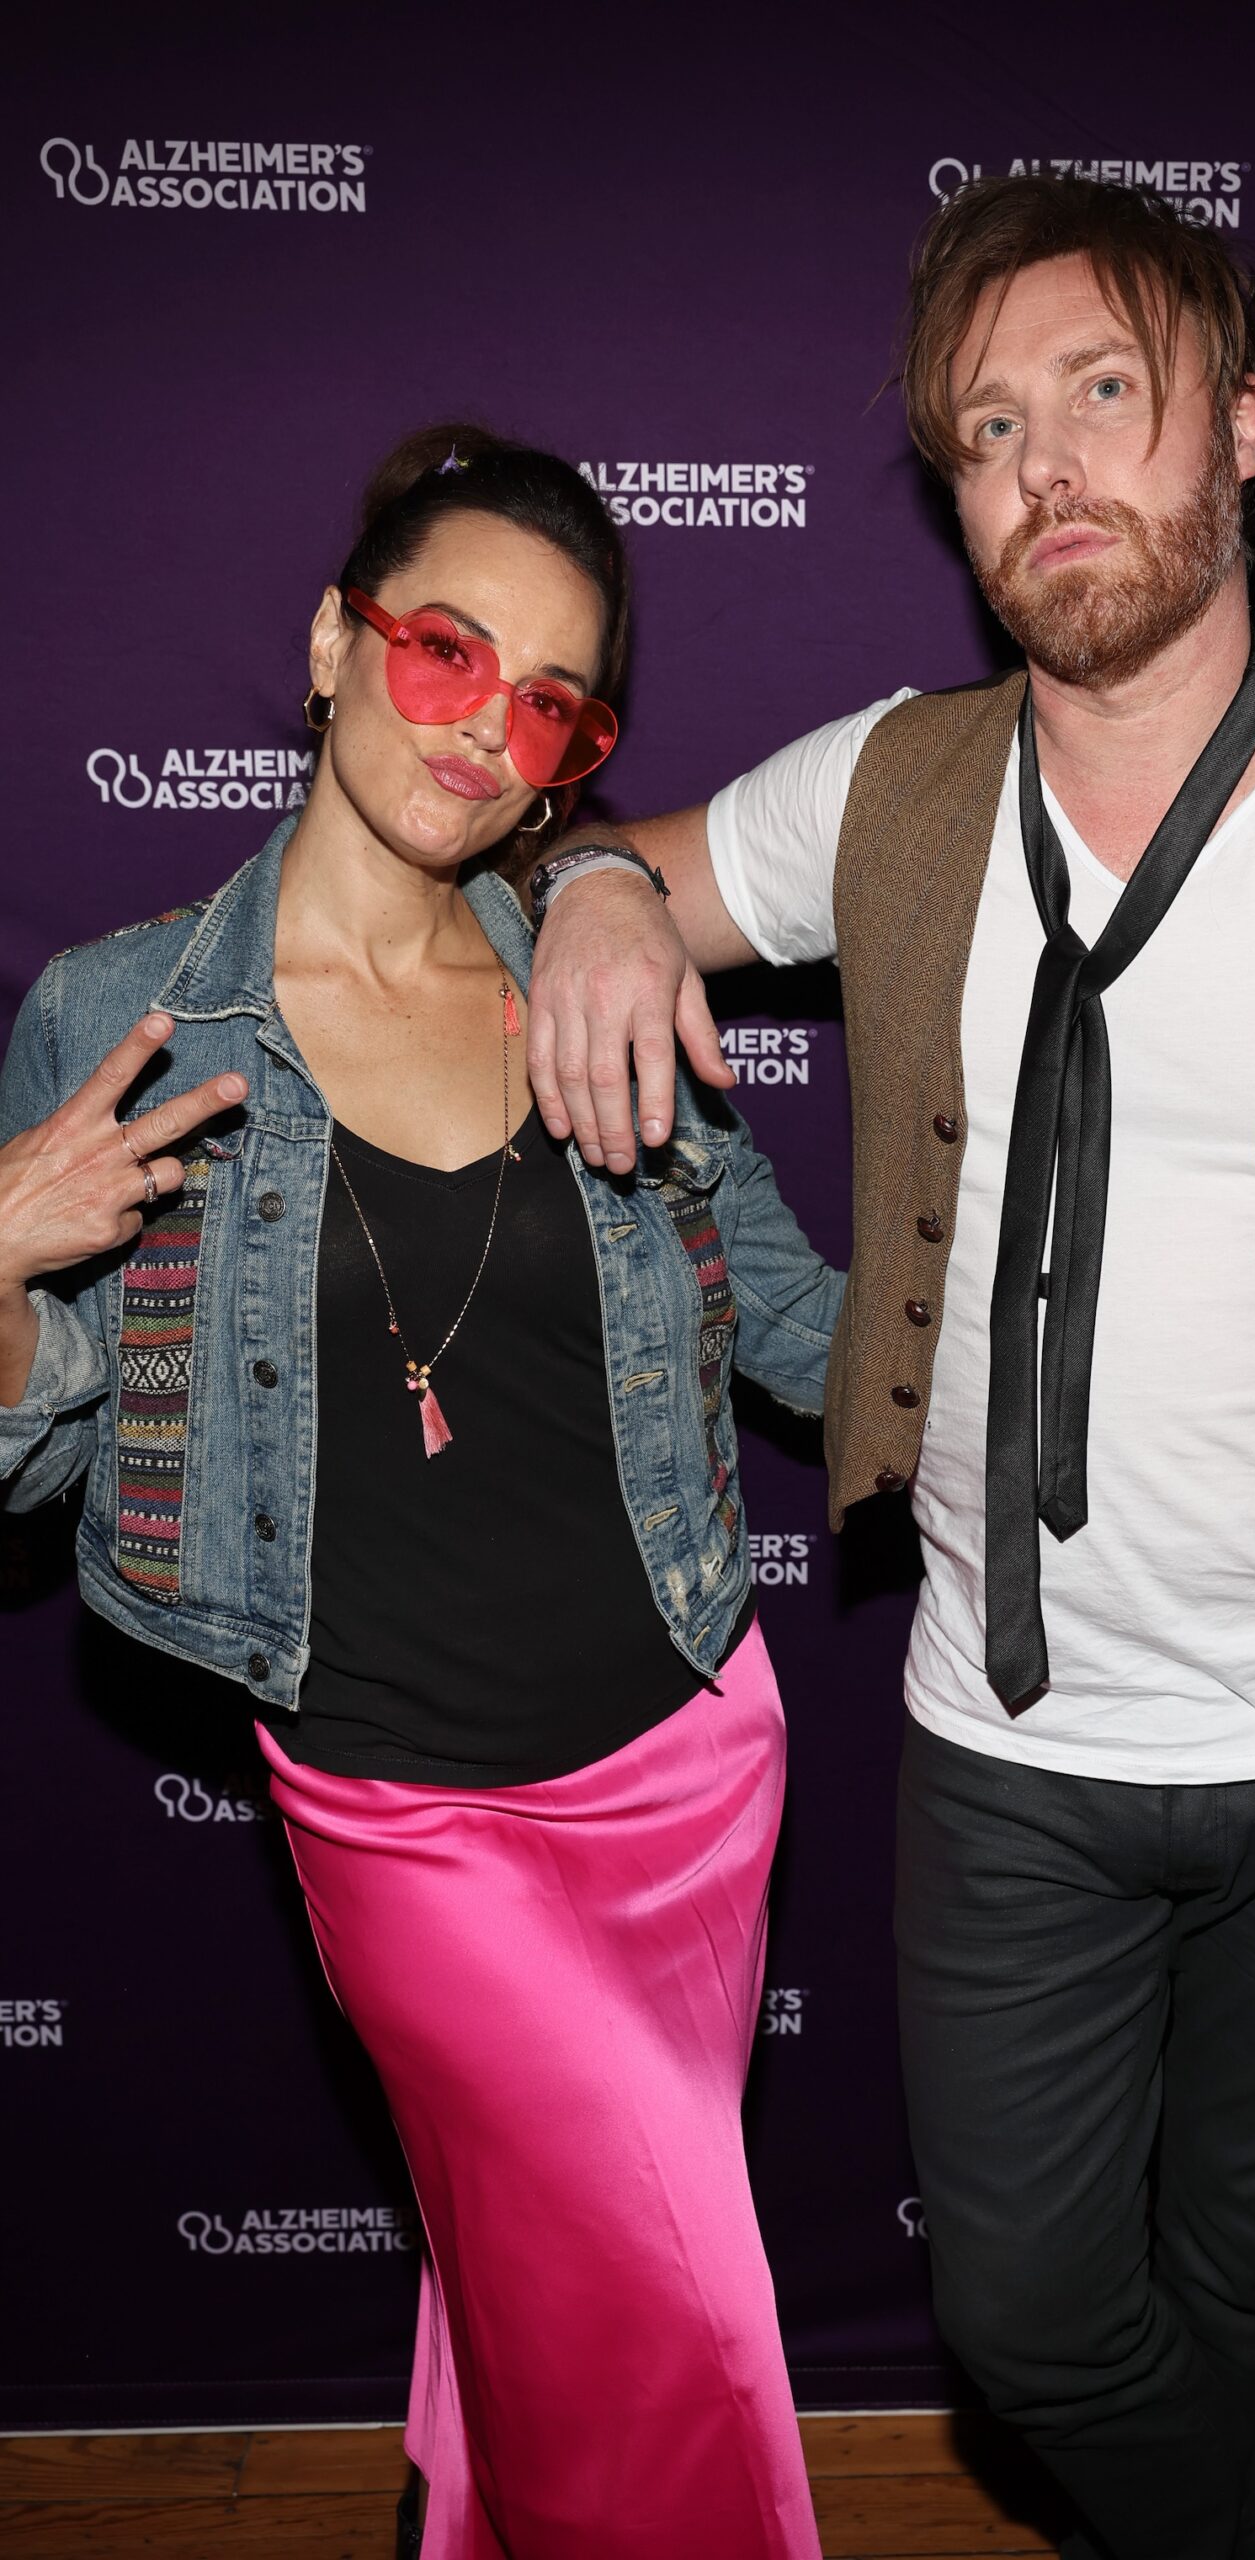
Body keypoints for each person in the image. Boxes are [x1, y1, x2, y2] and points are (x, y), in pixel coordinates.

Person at [519, 180, 1255, 2559]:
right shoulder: (888, 787)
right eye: (984, 431)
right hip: (1008, 1737)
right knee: (1032, 2313)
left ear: (1238, 434)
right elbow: (575, 854)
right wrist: (607, 882)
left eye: (1104, 397)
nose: (1043, 467)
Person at [0, 424, 839, 2560]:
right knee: (679, 2317)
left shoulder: (595, 972)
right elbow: (38, 1442)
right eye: (447, 648)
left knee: (551, 2260)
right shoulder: (122, 1015)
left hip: (682, 1752)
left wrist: (1087, 1378)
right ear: (328, 642)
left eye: (552, 697)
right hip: (400, 1801)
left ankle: (456, 2507)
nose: (490, 726)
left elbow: (797, 1328)